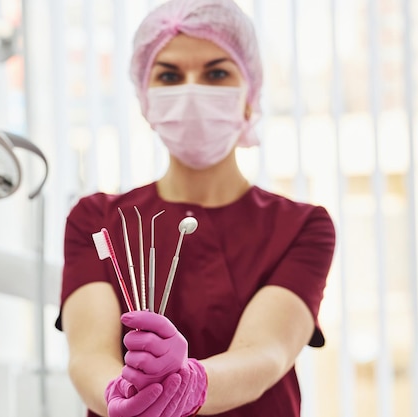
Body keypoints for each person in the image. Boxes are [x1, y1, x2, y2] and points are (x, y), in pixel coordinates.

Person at [54, 0, 336, 416]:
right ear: (146, 100)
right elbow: (89, 355)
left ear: (249, 95)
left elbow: (266, 353)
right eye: (169, 75)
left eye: (216, 72)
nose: (191, 89)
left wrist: (191, 386)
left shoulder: (302, 226)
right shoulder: (97, 221)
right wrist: (121, 396)